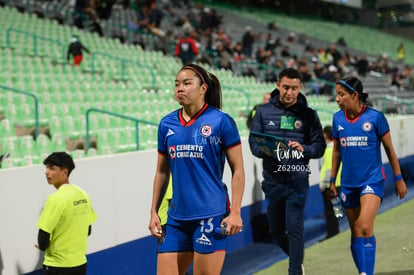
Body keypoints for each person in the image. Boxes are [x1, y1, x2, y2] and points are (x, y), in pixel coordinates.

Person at [148, 63, 245, 275]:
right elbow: (162, 172)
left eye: (186, 83)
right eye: (176, 84)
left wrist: (236, 212)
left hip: (211, 215)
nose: (179, 88)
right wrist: (153, 211)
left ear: (203, 88)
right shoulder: (167, 124)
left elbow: (238, 170)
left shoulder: (222, 121)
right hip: (176, 218)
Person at [248, 68, 326, 275]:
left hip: (297, 180)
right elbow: (254, 144)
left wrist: (305, 149)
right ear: (277, 85)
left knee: (294, 228)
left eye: (294, 88)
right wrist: (269, 150)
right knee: (276, 231)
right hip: (272, 182)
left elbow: (319, 147)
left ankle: (294, 271)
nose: (289, 92)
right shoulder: (263, 112)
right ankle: (296, 261)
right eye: (285, 87)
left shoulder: (309, 115)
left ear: (300, 88)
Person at [330, 77, 408, 275]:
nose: (337, 99)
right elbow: (337, 152)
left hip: (372, 180)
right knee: (355, 231)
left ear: (355, 95)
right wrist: (333, 179)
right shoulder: (338, 119)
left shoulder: (376, 117)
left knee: (365, 226)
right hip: (348, 183)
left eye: (341, 94)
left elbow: (390, 150)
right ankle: (363, 272)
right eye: (336, 94)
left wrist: (399, 179)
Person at [35, 152, 97, 275]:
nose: (46, 172)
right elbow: (88, 230)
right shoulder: (83, 194)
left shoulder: (55, 198)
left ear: (64, 172)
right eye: (46, 167)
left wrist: (43, 246)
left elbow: (43, 238)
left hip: (57, 266)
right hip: (80, 263)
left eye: (52, 168)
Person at [319, 125, 341, 241]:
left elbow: (328, 169)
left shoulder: (328, 150)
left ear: (325, 135)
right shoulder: (337, 148)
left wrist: (323, 185)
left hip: (329, 185)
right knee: (336, 208)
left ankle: (332, 233)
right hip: (338, 183)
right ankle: (337, 229)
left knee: (329, 210)